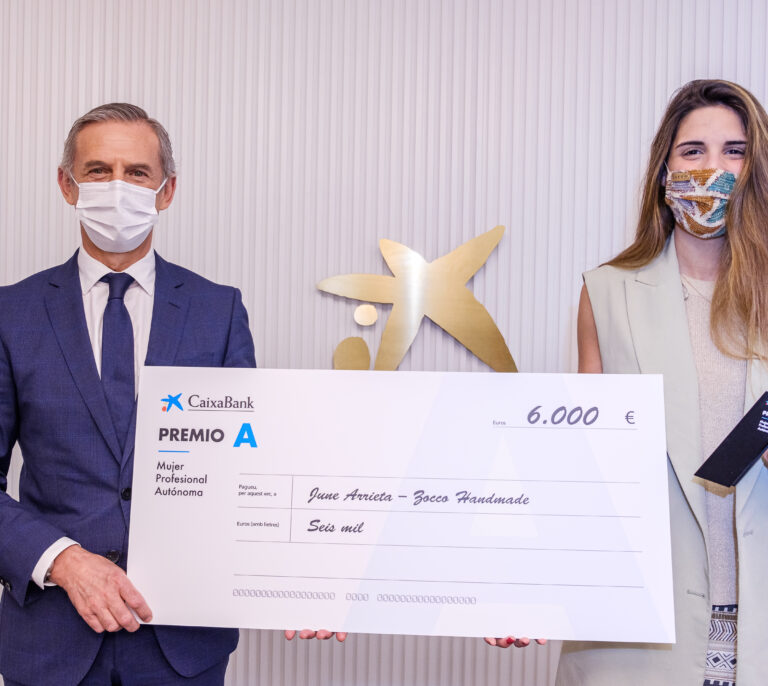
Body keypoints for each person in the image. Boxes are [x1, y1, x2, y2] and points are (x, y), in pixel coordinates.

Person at [0, 103, 257, 685]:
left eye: (137, 172)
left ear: (167, 191)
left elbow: (248, 470)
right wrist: (62, 560)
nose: (118, 186)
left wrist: (310, 579)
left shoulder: (218, 311)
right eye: (98, 170)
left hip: (183, 644)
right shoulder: (11, 313)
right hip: (50, 644)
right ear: (68, 185)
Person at [557, 79, 768, 685]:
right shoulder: (607, 292)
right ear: (663, 170)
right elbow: (585, 467)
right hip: (643, 638)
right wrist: (518, 585)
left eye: (734, 151)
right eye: (692, 151)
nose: (712, 169)